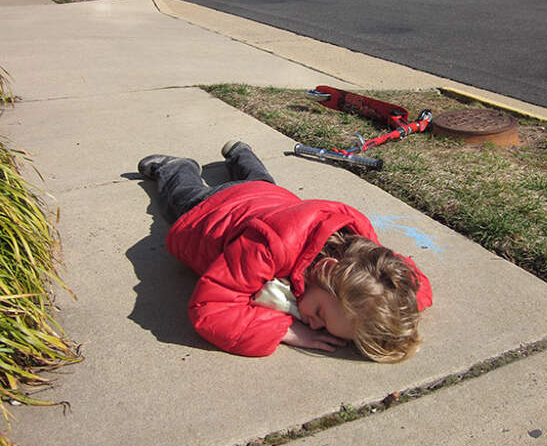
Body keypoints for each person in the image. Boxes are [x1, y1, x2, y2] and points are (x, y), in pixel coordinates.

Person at [138, 141, 432, 362]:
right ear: (327, 269)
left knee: (259, 179)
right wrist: (286, 331)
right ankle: (176, 167)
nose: (314, 325)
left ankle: (240, 151)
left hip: (271, 198)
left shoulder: (366, 256)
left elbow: (415, 284)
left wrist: (401, 313)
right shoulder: (269, 248)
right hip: (212, 211)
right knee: (180, 197)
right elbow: (210, 309)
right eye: (319, 314)